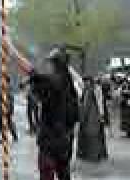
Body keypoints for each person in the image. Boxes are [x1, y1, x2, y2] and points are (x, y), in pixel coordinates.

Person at [31, 45, 78, 180]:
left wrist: (12, 51)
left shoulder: (53, 82)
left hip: (50, 142)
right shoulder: (70, 85)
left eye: (50, 63)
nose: (49, 66)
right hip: (65, 142)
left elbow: (33, 74)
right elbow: (75, 116)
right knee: (64, 173)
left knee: (47, 173)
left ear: (55, 64)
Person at [77, 77, 108, 162]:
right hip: (89, 116)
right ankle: (91, 154)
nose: (85, 83)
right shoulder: (86, 91)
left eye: (87, 81)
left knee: (93, 134)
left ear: (90, 82)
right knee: (93, 134)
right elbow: (83, 103)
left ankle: (94, 155)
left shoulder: (93, 90)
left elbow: (99, 102)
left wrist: (101, 115)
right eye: (84, 81)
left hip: (93, 116)